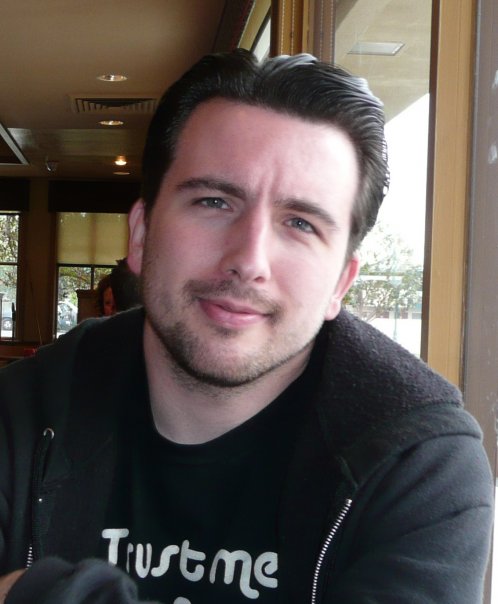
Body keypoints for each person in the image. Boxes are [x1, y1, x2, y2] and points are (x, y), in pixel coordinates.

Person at [0, 50, 493, 604]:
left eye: (300, 223)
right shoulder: (26, 410)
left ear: (341, 282)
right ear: (140, 234)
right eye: (214, 201)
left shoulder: (418, 463)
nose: (249, 260)